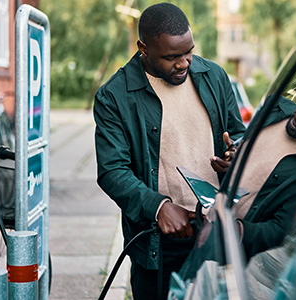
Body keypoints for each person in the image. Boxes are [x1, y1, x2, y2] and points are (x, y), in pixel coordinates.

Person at [93, 3, 245, 299]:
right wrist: (159, 207)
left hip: (216, 229)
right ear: (143, 48)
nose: (184, 63)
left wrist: (236, 156)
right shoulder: (114, 96)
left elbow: (237, 133)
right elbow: (113, 171)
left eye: (188, 52)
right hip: (159, 242)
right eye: (172, 56)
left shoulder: (214, 75)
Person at [211, 90, 296, 259]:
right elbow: (244, 149)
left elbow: (280, 230)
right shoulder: (275, 106)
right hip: (205, 216)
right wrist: (230, 164)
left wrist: (238, 230)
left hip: (227, 250)